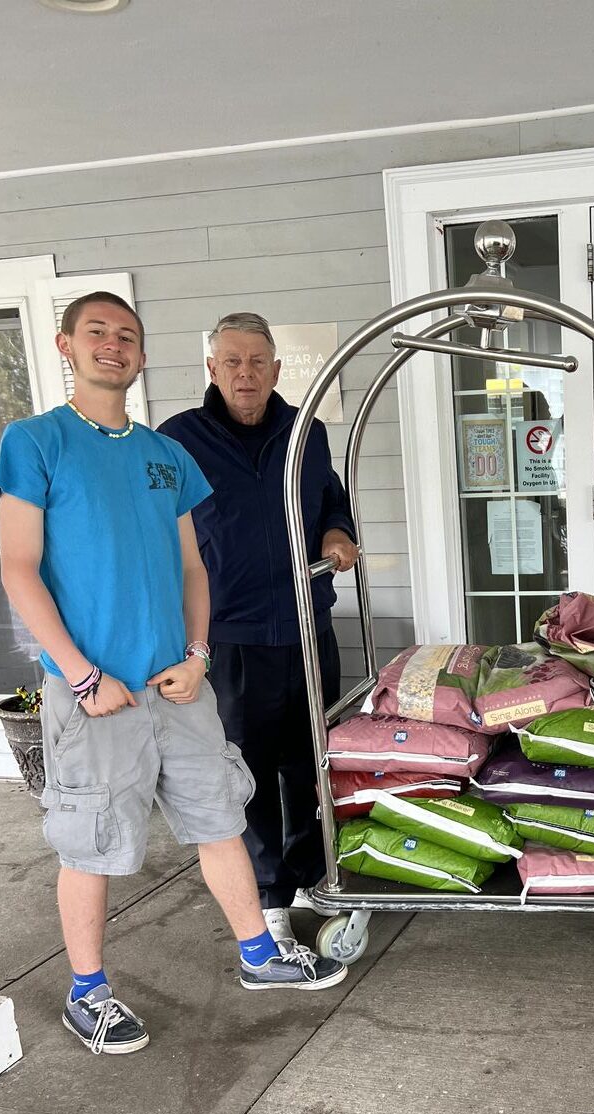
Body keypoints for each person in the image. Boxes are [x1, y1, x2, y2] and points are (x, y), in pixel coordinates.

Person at [0, 293, 346, 1056]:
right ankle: (88, 993)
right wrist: (84, 678)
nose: (112, 345)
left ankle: (260, 955)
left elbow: (193, 567)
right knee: (90, 844)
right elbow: (19, 570)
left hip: (176, 684)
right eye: (97, 333)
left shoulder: (166, 454)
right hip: (95, 696)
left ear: (142, 356)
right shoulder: (35, 442)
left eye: (126, 336)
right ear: (66, 345)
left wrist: (197, 656)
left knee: (219, 815)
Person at [159, 314, 357, 950]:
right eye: (232, 362)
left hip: (305, 624)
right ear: (212, 371)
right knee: (243, 766)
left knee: (311, 758)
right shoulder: (176, 441)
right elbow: (158, 532)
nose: (246, 373)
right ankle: (268, 892)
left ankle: (307, 874)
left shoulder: (308, 431)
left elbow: (330, 499)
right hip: (228, 635)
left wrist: (335, 532)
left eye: (257, 362)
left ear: (276, 370)